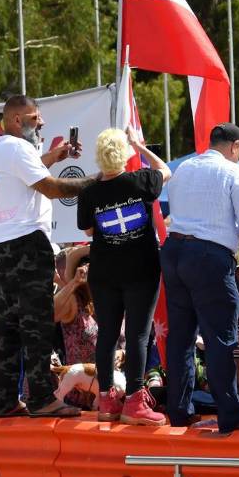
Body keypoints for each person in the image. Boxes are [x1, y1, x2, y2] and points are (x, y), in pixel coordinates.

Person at [0, 94, 95, 418]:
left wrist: (53, 157)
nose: (42, 123)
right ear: (17, 120)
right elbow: (50, 189)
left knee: (8, 328)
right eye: (35, 118)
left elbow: (27, 178)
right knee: (36, 324)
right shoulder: (19, 149)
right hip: (28, 244)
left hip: (0, 246)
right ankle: (42, 398)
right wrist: (93, 183)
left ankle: (4, 400)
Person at [163, 122, 239, 434]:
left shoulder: (183, 169)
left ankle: (179, 411)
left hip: (174, 251)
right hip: (209, 257)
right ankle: (230, 412)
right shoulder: (234, 173)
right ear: (234, 146)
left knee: (180, 336)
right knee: (221, 337)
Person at [75, 127, 171, 425]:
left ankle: (106, 398)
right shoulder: (140, 180)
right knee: (138, 335)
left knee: (107, 335)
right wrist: (140, 146)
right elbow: (165, 170)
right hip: (140, 270)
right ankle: (134, 401)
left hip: (104, 273)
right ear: (125, 154)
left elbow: (89, 231)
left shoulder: (89, 191)